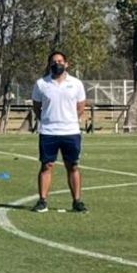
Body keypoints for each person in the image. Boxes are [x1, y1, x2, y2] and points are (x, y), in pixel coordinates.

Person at [31, 51, 87, 213]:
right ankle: (42, 201)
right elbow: (37, 107)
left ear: (66, 64)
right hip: (48, 132)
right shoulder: (41, 84)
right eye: (54, 61)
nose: (58, 64)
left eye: (61, 61)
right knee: (46, 165)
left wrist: (69, 120)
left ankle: (77, 201)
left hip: (71, 131)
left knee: (73, 166)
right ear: (49, 64)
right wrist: (47, 120)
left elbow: (81, 106)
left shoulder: (76, 83)